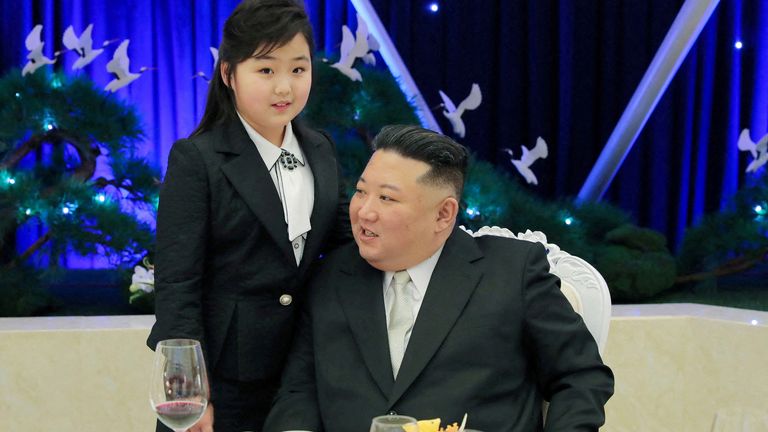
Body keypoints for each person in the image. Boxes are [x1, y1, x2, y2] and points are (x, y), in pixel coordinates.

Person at [263, 125, 614, 432]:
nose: (364, 211)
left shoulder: (511, 271)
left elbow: (580, 376)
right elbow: (300, 388)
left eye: (386, 197)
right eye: (361, 191)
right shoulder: (331, 276)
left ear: (444, 214)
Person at [146, 1, 350, 431]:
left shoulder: (320, 149)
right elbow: (177, 283)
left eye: (298, 69)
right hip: (222, 380)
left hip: (302, 374)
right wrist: (189, 391)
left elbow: (343, 244)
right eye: (265, 70)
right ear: (228, 74)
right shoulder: (197, 159)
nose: (285, 88)